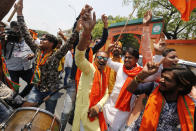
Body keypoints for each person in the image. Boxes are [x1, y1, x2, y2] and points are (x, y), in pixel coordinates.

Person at [15, 0, 79, 113]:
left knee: (48, 115)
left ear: (51, 43)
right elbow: (25, 33)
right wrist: (19, 12)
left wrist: (77, 29)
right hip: (37, 89)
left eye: (44, 39)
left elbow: (69, 43)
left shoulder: (56, 55)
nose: (41, 40)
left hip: (51, 91)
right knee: (25, 110)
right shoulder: (37, 50)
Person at [60, 9, 108, 131]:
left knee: (79, 109)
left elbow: (103, 40)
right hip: (73, 82)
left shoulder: (93, 52)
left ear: (90, 42)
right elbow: (75, 34)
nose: (102, 60)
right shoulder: (78, 49)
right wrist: (81, 21)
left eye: (88, 39)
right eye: (84, 38)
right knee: (66, 111)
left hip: (88, 83)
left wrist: (105, 25)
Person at [126, 62, 196, 131]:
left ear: (180, 86)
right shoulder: (153, 87)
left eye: (167, 79)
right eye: (162, 77)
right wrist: (142, 74)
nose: (161, 80)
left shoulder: (190, 105)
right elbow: (130, 89)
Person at [103, 44, 143, 131]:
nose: (127, 60)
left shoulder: (140, 72)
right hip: (111, 105)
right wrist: (108, 50)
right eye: (126, 57)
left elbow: (155, 75)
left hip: (124, 110)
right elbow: (108, 61)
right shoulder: (120, 67)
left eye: (130, 58)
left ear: (136, 60)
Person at [4, 20, 34, 98]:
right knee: (15, 89)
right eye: (16, 28)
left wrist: (32, 54)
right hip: (13, 69)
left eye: (20, 28)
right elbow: (14, 54)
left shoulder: (28, 39)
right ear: (11, 28)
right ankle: (14, 102)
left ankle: (21, 97)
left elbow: (35, 50)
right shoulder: (6, 39)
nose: (18, 31)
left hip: (27, 68)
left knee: (33, 83)